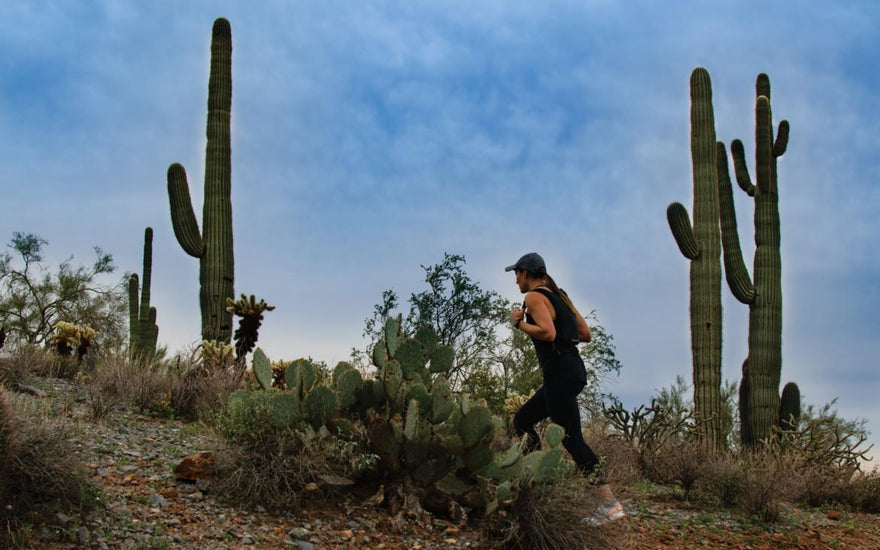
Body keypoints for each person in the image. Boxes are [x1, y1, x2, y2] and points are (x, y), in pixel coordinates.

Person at [505, 252, 624, 525]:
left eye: (516, 274)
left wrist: (519, 323)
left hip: (559, 373)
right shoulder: (559, 294)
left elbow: (548, 333)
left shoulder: (534, 297)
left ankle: (610, 505)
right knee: (522, 420)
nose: (515, 281)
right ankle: (531, 480)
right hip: (572, 371)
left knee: (572, 439)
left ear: (525, 273)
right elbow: (586, 334)